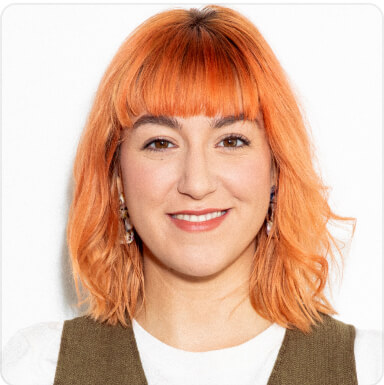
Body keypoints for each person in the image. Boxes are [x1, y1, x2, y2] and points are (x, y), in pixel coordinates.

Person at [2, 5, 381, 385]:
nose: (196, 183)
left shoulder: (369, 368)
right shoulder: (36, 369)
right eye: (161, 143)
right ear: (116, 176)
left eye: (231, 140)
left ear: (276, 170)